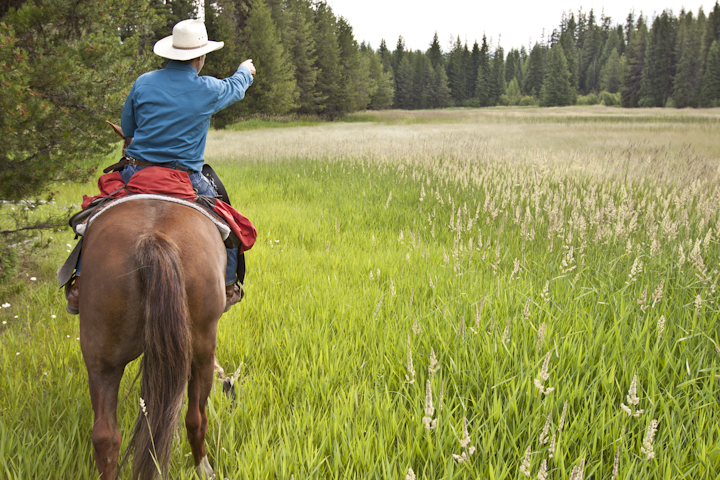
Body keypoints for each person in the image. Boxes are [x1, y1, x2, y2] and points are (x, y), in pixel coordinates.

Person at [65, 19, 256, 314]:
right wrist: (245, 70)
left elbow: (128, 128)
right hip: (186, 179)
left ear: (170, 53)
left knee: (95, 218)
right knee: (228, 226)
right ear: (201, 57)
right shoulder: (208, 88)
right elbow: (236, 87)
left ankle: (79, 283)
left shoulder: (143, 82)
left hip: (136, 173)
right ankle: (229, 285)